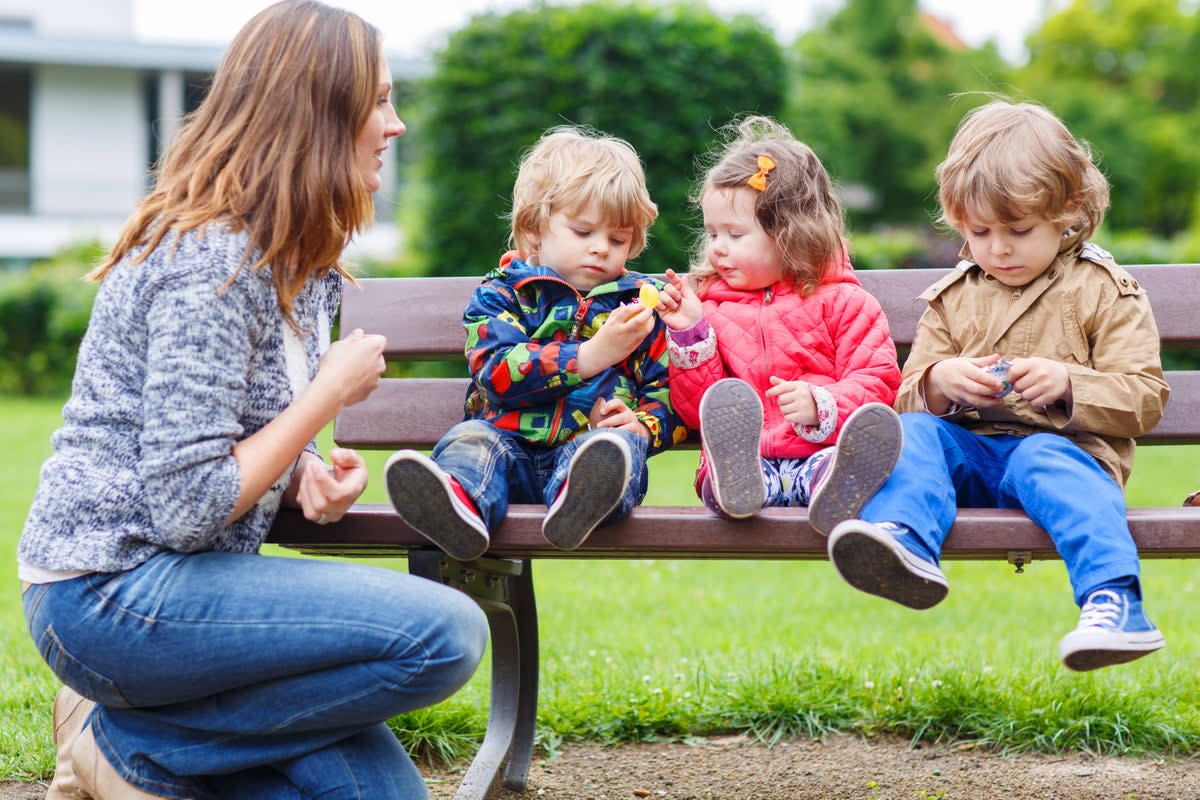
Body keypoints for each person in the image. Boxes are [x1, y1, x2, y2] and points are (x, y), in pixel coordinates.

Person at [18, 3, 487, 798]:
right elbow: (187, 506)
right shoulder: (212, 262)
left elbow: (223, 431)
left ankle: (159, 756)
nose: (396, 124)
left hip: (185, 597)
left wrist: (303, 469)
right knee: (445, 634)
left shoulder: (296, 260)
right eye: (378, 101)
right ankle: (127, 741)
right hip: (110, 593)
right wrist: (324, 398)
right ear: (317, 113)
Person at [822, 100, 1170, 672]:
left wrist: (1067, 383)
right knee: (912, 431)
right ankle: (906, 541)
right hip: (972, 457)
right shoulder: (954, 296)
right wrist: (939, 382)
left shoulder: (1104, 289)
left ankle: (1115, 602)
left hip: (1065, 458)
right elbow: (906, 395)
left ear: (1069, 209)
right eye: (980, 232)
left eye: (1018, 230)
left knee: (1040, 457)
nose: (998, 248)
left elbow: (1145, 397)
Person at [384, 126, 685, 562]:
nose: (601, 248)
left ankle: (578, 503)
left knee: (613, 451)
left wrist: (640, 423)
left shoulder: (641, 307)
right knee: (470, 440)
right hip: (507, 452)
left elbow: (670, 392)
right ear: (534, 231)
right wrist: (589, 356)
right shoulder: (502, 294)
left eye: (617, 239)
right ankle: (457, 511)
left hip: (585, 452)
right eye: (583, 232)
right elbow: (496, 371)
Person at [655, 115, 902, 529]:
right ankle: (735, 484)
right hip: (749, 463)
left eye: (735, 235)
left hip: (822, 451)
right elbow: (699, 411)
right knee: (724, 475)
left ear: (790, 233)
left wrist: (820, 405)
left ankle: (837, 490)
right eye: (712, 234)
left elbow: (877, 384)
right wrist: (690, 332)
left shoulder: (845, 302)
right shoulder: (710, 306)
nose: (718, 249)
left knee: (834, 466)